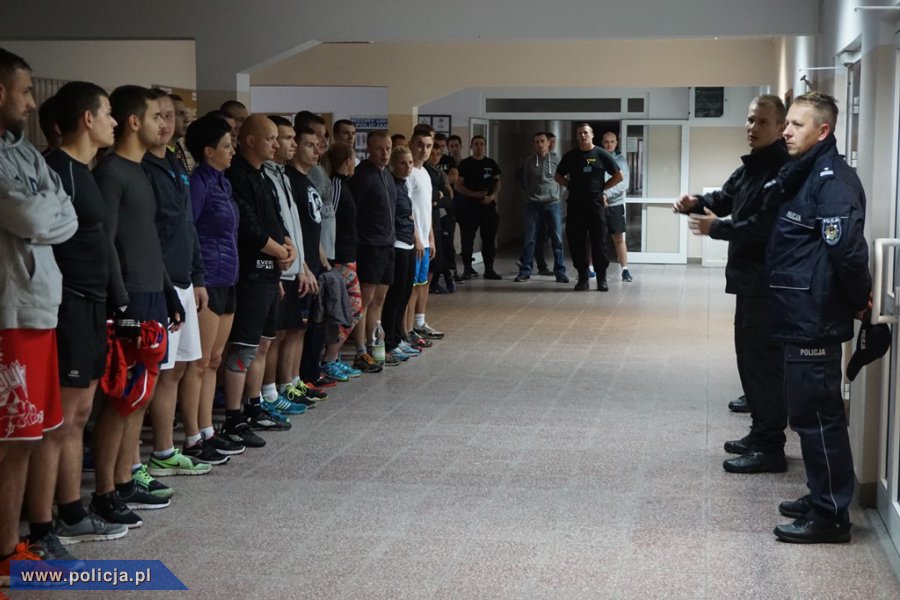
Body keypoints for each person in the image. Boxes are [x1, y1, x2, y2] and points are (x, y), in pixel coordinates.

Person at [30, 81, 128, 560]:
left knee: (80, 414)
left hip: (92, 303)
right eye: (108, 113)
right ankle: (42, 523)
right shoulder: (57, 169)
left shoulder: (86, 170)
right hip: (67, 306)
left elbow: (100, 242)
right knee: (60, 420)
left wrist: (116, 299)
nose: (114, 121)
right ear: (87, 119)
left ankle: (72, 509)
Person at [767, 92, 871, 544]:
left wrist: (859, 300)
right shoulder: (807, 173)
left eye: (797, 125)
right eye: (787, 123)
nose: (786, 131)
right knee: (807, 414)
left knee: (818, 417)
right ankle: (820, 495)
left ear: (823, 130)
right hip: (799, 313)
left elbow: (846, 250)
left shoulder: (833, 181)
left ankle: (831, 516)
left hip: (815, 316)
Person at [674, 95, 791, 474]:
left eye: (762, 122)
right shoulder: (752, 167)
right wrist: (695, 203)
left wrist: (717, 228)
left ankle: (770, 447)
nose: (752, 127)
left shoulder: (781, 171)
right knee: (750, 361)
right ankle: (760, 434)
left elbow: (764, 226)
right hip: (748, 281)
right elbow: (724, 198)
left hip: (766, 283)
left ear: (780, 127)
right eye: (750, 119)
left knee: (762, 365)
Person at [0, 48, 78, 579]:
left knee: (28, 436)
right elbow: (30, 215)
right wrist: (46, 214)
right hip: (10, 312)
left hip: (40, 309)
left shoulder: (23, 151)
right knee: (11, 438)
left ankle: (10, 546)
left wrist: (45, 214)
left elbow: (63, 213)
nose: (31, 103)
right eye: (26, 91)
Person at [93, 84, 185, 525]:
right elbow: (106, 240)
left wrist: (167, 290)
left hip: (152, 293)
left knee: (140, 396)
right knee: (120, 399)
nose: (163, 124)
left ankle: (126, 477)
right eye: (156, 117)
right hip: (129, 298)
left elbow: (148, 239)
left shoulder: (141, 171)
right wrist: (122, 301)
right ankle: (105, 491)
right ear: (134, 122)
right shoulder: (111, 173)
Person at [143, 90, 216, 474]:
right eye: (159, 115)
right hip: (160, 283)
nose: (167, 123)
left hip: (186, 279)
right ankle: (156, 452)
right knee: (156, 372)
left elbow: (188, 226)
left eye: (172, 116)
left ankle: (166, 449)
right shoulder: (141, 167)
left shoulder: (175, 161)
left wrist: (198, 276)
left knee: (181, 368)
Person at [221, 114, 296, 448]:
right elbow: (249, 228)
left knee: (263, 343)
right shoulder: (237, 176)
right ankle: (233, 417)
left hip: (269, 272)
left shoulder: (263, 175)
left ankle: (254, 406)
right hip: (251, 273)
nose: (276, 144)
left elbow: (274, 219)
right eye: (270, 139)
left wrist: (289, 247)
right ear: (250, 141)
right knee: (244, 347)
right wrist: (280, 251)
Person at [181, 115, 247, 459]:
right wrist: (197, 278)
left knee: (215, 359)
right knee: (199, 362)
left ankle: (207, 429)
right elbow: (188, 230)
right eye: (226, 146)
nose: (232, 150)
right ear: (208, 151)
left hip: (228, 278)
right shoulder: (198, 184)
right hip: (207, 279)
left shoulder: (223, 183)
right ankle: (192, 436)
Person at [555, 123, 622, 291]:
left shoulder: (601, 154)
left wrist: (602, 188)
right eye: (580, 133)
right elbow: (558, 176)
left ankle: (601, 279)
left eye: (586, 132)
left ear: (592, 135)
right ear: (577, 136)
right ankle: (583, 278)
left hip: (595, 205)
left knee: (599, 242)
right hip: (576, 205)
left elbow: (618, 176)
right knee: (577, 242)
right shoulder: (571, 156)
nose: (583, 135)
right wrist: (570, 186)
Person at [348, 130, 395, 373]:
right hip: (369, 246)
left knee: (379, 299)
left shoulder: (387, 175)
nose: (385, 153)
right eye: (379, 149)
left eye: (388, 148)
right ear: (369, 149)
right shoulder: (362, 176)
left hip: (387, 244)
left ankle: (375, 344)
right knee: (364, 301)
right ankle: (360, 350)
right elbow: (353, 213)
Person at [320, 141, 363, 374]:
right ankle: (329, 357)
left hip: (349, 255)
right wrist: (327, 258)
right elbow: (327, 221)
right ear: (347, 161)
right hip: (338, 259)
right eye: (353, 159)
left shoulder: (345, 184)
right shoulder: (335, 185)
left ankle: (332, 356)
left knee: (350, 309)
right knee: (352, 309)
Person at [381, 146, 418, 364]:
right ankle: (390, 341)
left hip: (408, 242)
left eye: (410, 163)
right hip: (397, 244)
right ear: (394, 164)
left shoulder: (404, 185)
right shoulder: (391, 185)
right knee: (395, 296)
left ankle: (398, 336)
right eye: (403, 163)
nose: (407, 167)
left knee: (405, 293)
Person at [515, 131, 567, 283]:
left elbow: (563, 181)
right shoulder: (529, 161)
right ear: (534, 144)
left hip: (553, 204)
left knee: (557, 239)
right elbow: (526, 180)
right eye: (537, 142)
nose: (540, 144)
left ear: (548, 143)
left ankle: (560, 271)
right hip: (534, 204)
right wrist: (532, 194)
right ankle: (526, 270)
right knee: (530, 239)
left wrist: (556, 195)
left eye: (542, 141)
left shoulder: (557, 160)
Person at [455, 135, 502, 279]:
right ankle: (467, 269)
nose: (479, 146)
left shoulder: (491, 163)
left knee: (489, 239)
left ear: (485, 146)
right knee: (467, 239)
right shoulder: (465, 164)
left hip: (488, 207)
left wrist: (492, 197)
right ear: (471, 146)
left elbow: (498, 182)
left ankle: (489, 269)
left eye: (481, 144)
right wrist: (473, 194)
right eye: (476, 144)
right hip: (470, 207)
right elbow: (458, 185)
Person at [600, 131, 633, 282]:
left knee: (618, 238)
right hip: (598, 204)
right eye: (606, 142)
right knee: (595, 238)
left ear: (616, 143)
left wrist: (606, 194)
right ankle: (591, 269)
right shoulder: (595, 158)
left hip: (615, 204)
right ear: (602, 143)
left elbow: (623, 184)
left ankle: (625, 270)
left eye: (612, 142)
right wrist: (599, 196)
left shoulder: (621, 161)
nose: (609, 145)